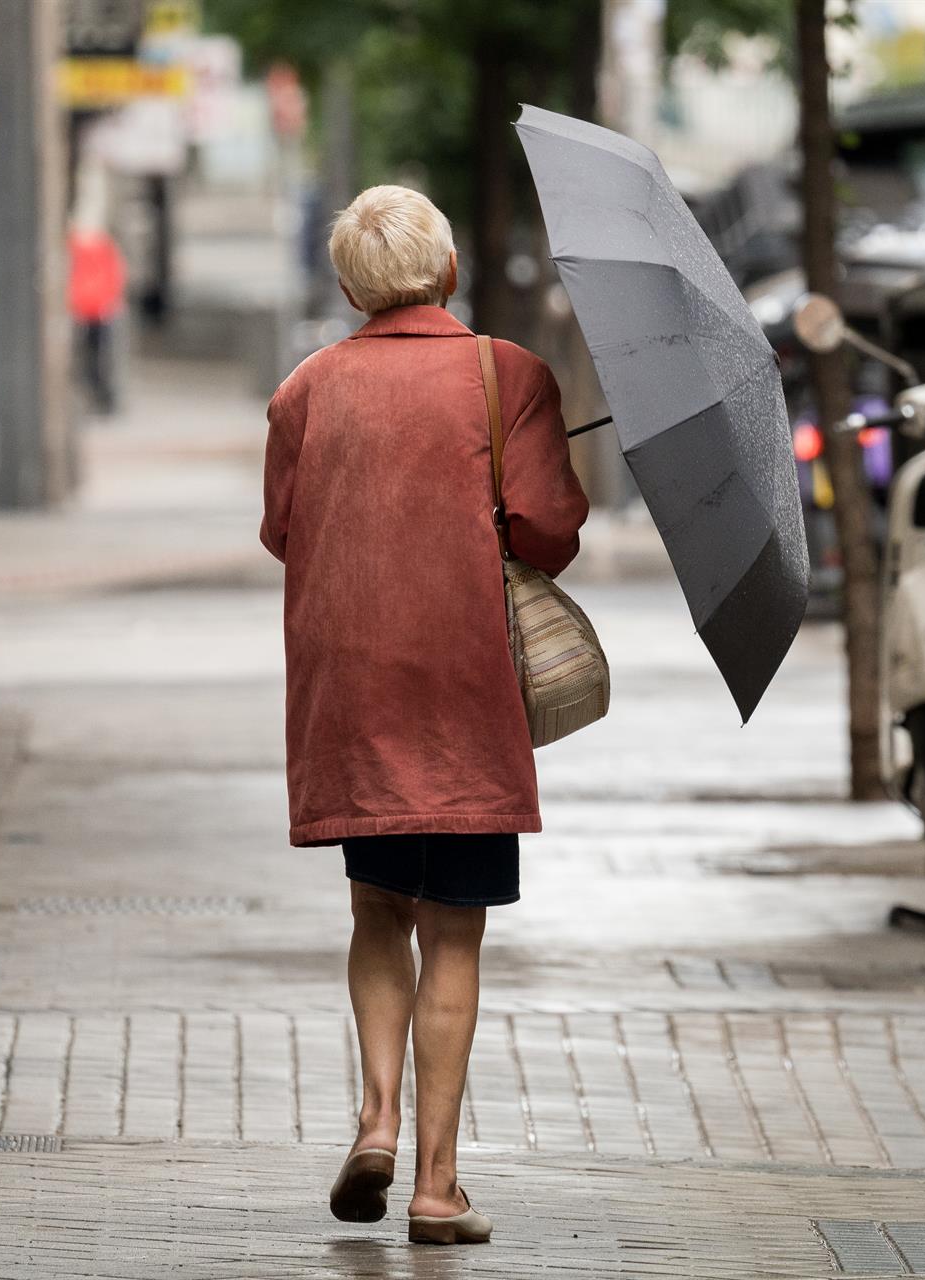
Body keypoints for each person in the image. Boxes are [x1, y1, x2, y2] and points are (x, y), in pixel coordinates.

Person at [260, 186, 588, 1245]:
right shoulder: (509, 376)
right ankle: (438, 1185)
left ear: (353, 285)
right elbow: (550, 533)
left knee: (377, 913)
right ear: (447, 272)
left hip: (356, 690)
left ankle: (376, 1116)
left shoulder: (306, 389)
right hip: (465, 687)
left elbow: (283, 529)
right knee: (456, 931)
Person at [67, 222, 127, 414]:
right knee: (92, 357)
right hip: (85, 309)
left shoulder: (100, 248)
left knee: (99, 356)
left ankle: (102, 397)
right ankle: (95, 395)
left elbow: (113, 276)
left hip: (96, 310)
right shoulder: (78, 247)